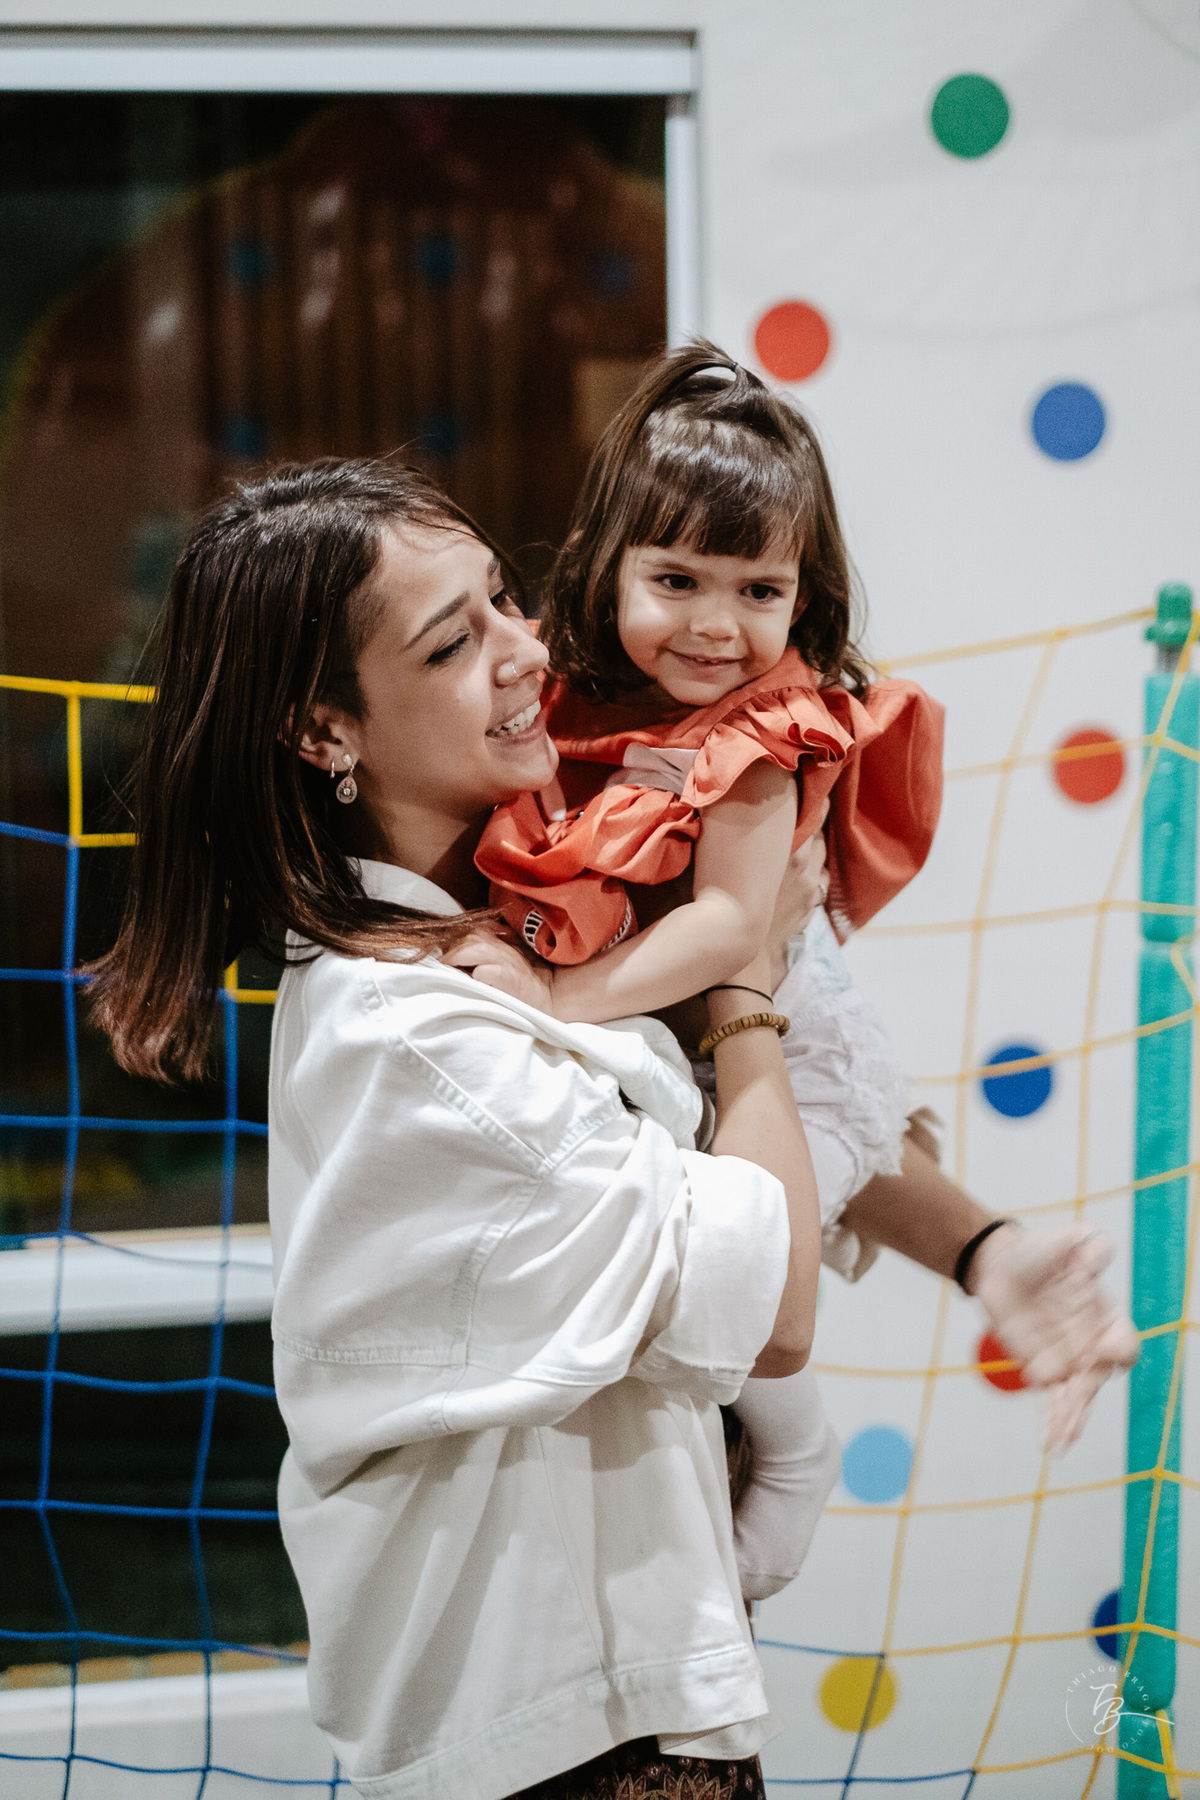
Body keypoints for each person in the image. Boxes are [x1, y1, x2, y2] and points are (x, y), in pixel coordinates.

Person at [86, 458, 834, 1800]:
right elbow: (777, 1305)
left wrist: (985, 1248)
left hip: (597, 1704)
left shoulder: (515, 935)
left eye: (505, 599)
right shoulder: (423, 1034)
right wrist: (749, 987)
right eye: (454, 640)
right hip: (578, 1738)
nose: (524, 649)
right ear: (326, 732)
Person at [455, 343, 1140, 1603]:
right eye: (676, 579)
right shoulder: (570, 698)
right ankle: (982, 1269)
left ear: (802, 598)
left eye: (759, 591)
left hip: (775, 1026)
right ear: (602, 564)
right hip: (679, 1031)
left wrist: (556, 1005)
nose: (717, 627)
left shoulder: (764, 740)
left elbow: (728, 930)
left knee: (743, 1279)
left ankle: (800, 1442)